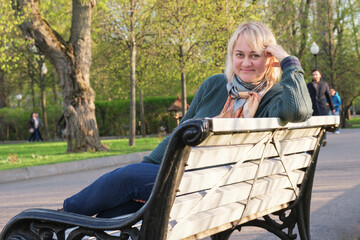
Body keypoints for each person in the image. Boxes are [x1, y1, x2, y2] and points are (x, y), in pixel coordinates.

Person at [62, 22, 313, 218]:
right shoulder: (215, 85)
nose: (246, 62)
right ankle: (69, 226)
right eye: (239, 54)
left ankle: (60, 217)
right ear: (231, 56)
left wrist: (289, 62)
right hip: (196, 180)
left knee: (127, 178)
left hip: (214, 187)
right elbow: (182, 131)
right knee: (118, 211)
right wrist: (149, 164)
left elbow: (299, 110)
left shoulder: (276, 96)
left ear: (270, 59)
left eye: (255, 55)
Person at [307, 69, 335, 146]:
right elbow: (306, 97)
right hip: (313, 109)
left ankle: (324, 139)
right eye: (313, 75)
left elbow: (329, 97)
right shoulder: (309, 85)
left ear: (320, 75)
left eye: (316, 74)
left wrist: (332, 108)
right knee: (314, 124)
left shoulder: (324, 85)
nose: (314, 76)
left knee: (323, 124)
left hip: (322, 108)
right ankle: (315, 140)